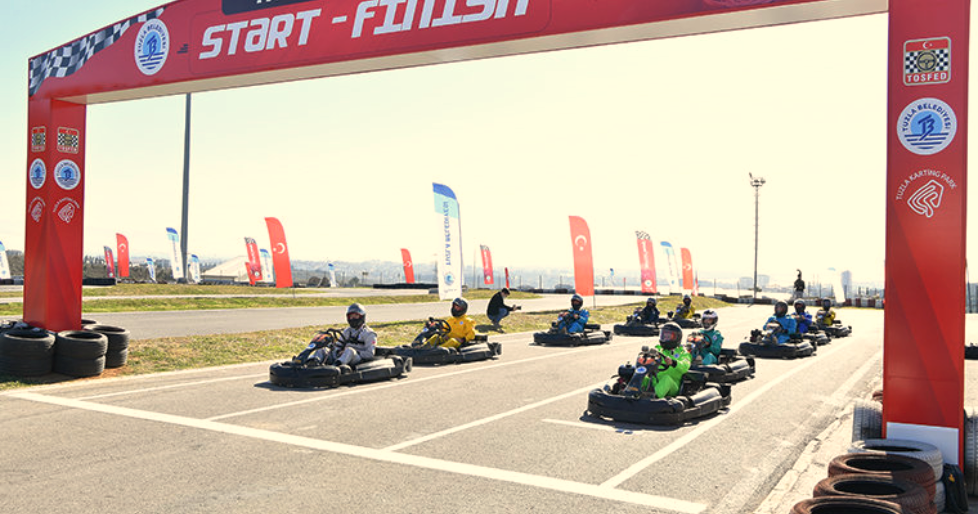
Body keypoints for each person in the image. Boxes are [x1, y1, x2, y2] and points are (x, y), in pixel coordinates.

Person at [310, 303, 377, 369]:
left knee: (350, 350)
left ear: (362, 317)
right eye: (351, 316)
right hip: (343, 356)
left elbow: (370, 354)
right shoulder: (347, 331)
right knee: (323, 349)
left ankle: (335, 367)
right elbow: (338, 345)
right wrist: (337, 351)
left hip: (357, 359)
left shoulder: (369, 333)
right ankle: (312, 363)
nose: (353, 318)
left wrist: (355, 351)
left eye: (356, 316)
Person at [641, 322, 691, 398]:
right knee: (642, 376)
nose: (665, 338)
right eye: (664, 336)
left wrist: (673, 363)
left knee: (666, 379)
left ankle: (653, 398)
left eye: (668, 336)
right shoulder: (658, 349)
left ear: (677, 337)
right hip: (655, 381)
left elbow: (685, 366)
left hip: (673, 386)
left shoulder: (683, 353)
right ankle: (630, 394)